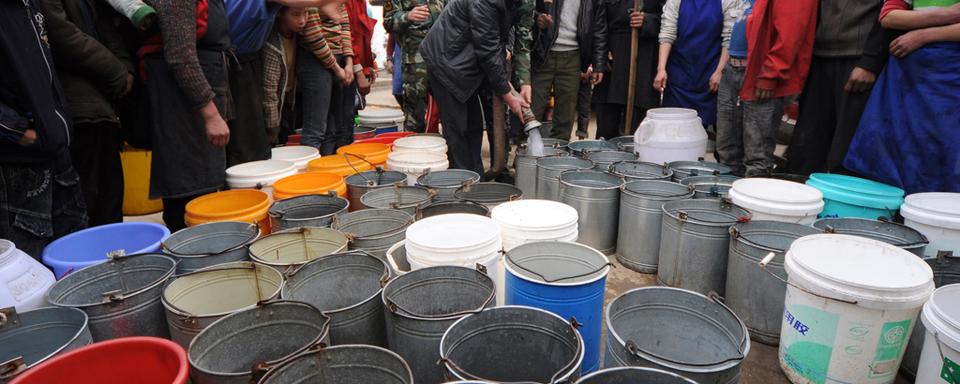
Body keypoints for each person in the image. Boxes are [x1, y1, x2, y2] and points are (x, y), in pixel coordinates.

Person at [1, 0, 88, 259]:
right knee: (29, 275)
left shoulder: (30, 4)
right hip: (16, 163)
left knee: (74, 263)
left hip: (57, 154)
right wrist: (18, 131)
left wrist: (55, 128)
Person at [844, 2, 960, 193]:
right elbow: (889, 16)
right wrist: (948, 15)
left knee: (945, 153)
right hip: (910, 75)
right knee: (895, 146)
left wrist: (924, 35)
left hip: (950, 76)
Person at [41, 0, 137, 226]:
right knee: (86, 211)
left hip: (104, 108)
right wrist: (116, 72)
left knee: (110, 205)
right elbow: (62, 36)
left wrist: (125, 70)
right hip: (75, 110)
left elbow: (106, 28)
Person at [140, 0, 232, 231]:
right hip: (181, 105)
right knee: (189, 197)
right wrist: (210, 114)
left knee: (205, 192)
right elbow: (181, 57)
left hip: (198, 97)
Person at [420, 0, 529, 175]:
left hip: (464, 62)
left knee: (473, 126)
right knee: (458, 129)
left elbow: (503, 33)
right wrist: (509, 95)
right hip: (446, 61)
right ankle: (462, 184)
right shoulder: (484, 2)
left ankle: (475, 178)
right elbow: (487, 48)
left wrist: (516, 83)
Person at [785, 0, 890, 175]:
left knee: (846, 148)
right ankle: (800, 196)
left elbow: (890, 11)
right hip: (818, 56)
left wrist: (870, 62)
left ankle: (840, 199)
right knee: (805, 146)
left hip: (857, 59)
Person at [715, 0, 817, 177]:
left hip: (759, 74)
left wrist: (771, 74)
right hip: (732, 70)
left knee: (757, 157)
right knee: (727, 151)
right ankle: (726, 201)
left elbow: (791, 32)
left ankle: (751, 204)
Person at [531, 0, 608, 141]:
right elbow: (525, 10)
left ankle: (559, 155)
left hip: (573, 56)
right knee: (533, 109)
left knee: (565, 115)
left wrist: (598, 64)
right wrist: (537, 18)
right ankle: (528, 152)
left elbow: (599, 28)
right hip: (542, 54)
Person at [653, 0, 736, 130]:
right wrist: (661, 68)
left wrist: (720, 71)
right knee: (676, 129)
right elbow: (667, 33)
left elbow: (729, 38)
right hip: (679, 74)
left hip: (711, 73)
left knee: (718, 130)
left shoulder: (727, 1)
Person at [593, 0, 665, 139]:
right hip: (613, 60)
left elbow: (670, 21)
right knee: (607, 126)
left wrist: (648, 20)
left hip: (645, 59)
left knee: (639, 129)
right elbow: (598, 23)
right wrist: (600, 59)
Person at [299, 4, 356, 154]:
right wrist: (336, 68)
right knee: (315, 130)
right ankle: (309, 175)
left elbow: (344, 27)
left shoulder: (339, 4)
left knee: (333, 128)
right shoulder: (312, 3)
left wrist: (349, 62)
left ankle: (327, 172)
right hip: (314, 58)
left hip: (338, 61)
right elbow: (312, 35)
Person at [383, 0, 444, 133]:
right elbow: (388, 22)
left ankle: (448, 152)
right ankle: (414, 151)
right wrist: (407, 16)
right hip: (415, 62)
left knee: (451, 116)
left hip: (444, 61)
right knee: (415, 118)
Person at [263, 7, 309, 144]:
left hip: (290, 102)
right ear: (280, 14)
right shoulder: (272, 45)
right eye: (295, 14)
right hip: (276, 107)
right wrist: (272, 128)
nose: (302, 21)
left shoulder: (300, 37)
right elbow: (269, 91)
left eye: (305, 13)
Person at [346, 0, 378, 96]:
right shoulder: (347, 2)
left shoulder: (361, 2)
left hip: (355, 68)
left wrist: (367, 67)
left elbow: (362, 36)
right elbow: (348, 37)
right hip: (346, 68)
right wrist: (359, 72)